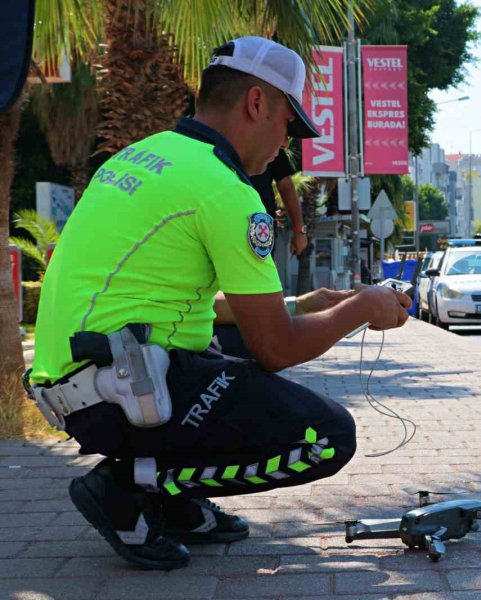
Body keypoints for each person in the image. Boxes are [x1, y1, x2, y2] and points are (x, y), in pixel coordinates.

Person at [28, 36, 411, 571]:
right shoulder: (226, 191)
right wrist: (363, 306)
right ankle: (125, 487)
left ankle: (170, 498)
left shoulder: (142, 155)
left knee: (231, 343)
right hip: (119, 396)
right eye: (289, 125)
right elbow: (276, 347)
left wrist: (300, 303)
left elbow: (181, 303)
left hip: (82, 383)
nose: (286, 145)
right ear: (257, 103)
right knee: (326, 438)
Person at [250, 148, 308, 261]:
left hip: (261, 227)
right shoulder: (219, 138)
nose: (286, 143)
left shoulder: (271, 144)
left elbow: (286, 186)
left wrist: (299, 230)